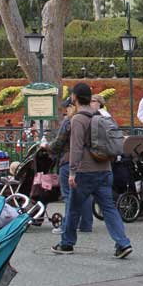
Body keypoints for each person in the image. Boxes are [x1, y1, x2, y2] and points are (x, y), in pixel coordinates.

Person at [54, 83, 131, 257]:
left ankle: (67, 243)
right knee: (109, 207)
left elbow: (76, 148)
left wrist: (72, 172)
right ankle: (123, 243)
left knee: (74, 207)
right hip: (104, 168)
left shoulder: (78, 119)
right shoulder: (100, 116)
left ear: (74, 97)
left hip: (85, 171)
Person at [47, 97, 94, 236]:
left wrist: (46, 146)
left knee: (68, 195)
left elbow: (58, 143)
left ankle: (66, 226)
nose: (65, 111)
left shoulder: (69, 121)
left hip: (68, 160)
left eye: (67, 107)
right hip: (86, 161)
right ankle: (86, 224)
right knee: (85, 194)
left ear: (72, 107)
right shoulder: (89, 119)